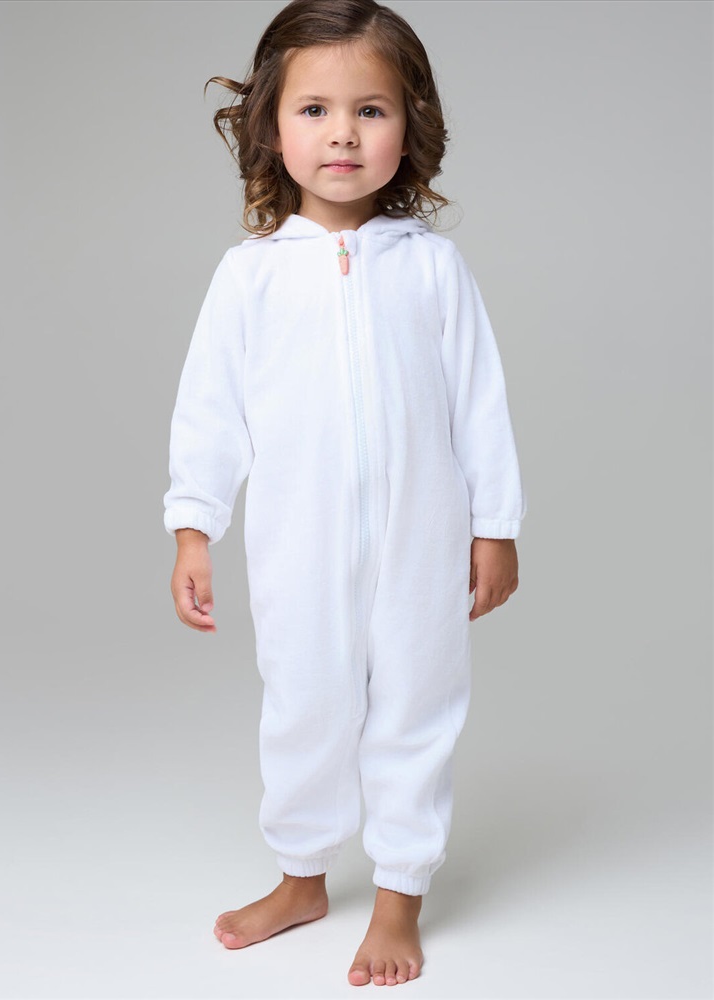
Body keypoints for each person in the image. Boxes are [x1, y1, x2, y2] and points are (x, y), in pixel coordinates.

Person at [163, 0, 527, 987]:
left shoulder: (432, 267)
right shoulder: (250, 277)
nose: (342, 135)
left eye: (370, 110)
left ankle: (400, 895)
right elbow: (210, 411)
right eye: (315, 110)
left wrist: (495, 526)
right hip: (299, 540)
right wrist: (194, 526)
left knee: (417, 704)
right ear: (271, 127)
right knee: (303, 705)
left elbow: (480, 402)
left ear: (410, 125)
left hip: (420, 540)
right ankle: (302, 878)